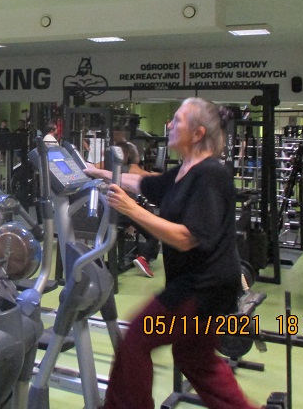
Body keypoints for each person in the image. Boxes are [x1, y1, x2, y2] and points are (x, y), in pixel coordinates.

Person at [87, 98, 258, 409]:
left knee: (137, 339)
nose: (169, 125)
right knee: (194, 357)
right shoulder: (185, 172)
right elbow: (143, 182)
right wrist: (95, 172)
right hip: (203, 285)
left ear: (197, 133)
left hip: (202, 288)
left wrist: (131, 209)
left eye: (177, 120)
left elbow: (186, 238)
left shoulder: (210, 174)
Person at [113, 129, 159, 278]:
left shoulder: (106, 165)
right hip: (125, 212)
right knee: (155, 231)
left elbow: (90, 168)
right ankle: (143, 258)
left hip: (110, 212)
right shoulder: (132, 168)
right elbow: (153, 178)